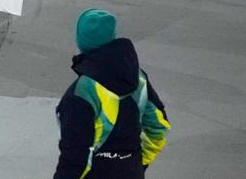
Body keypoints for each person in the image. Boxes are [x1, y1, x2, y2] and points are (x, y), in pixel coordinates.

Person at [53, 9, 171, 179]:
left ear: (81, 41)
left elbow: (75, 159)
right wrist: (136, 164)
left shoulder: (80, 94)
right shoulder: (139, 78)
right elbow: (159, 127)